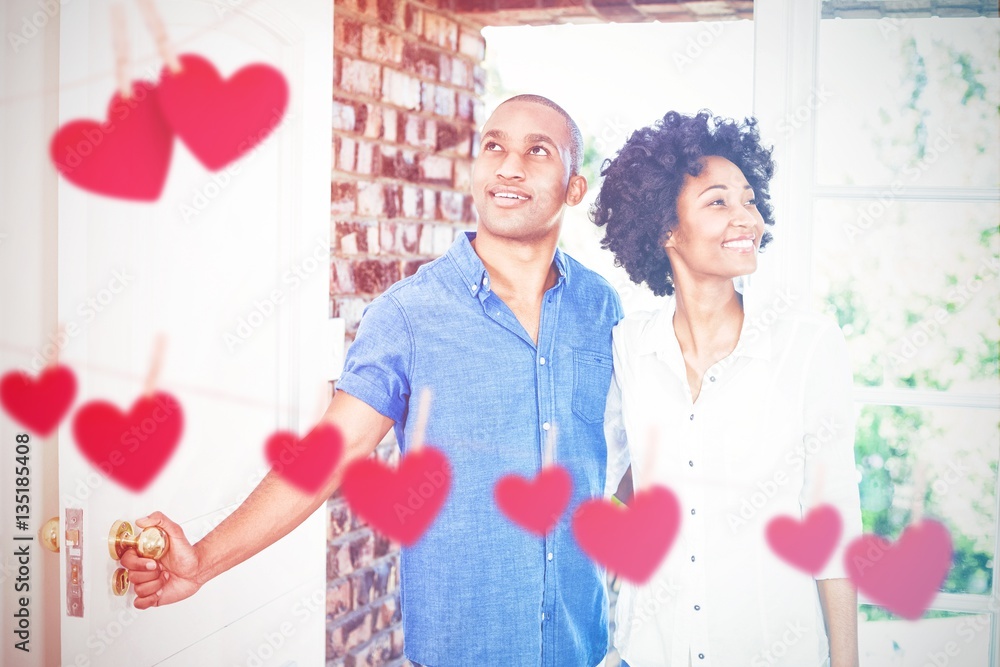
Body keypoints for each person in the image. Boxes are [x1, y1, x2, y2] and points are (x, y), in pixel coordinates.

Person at [121, 94, 624, 667]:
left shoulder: (601, 307)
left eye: (537, 150)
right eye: (494, 146)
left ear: (573, 188)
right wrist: (204, 560)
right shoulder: (410, 315)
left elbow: (649, 447)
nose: (509, 165)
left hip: (584, 653)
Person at [592, 110, 862, 667]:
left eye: (749, 200)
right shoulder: (630, 348)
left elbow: (834, 521)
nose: (747, 218)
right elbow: (614, 486)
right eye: (718, 202)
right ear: (665, 228)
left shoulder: (807, 345)